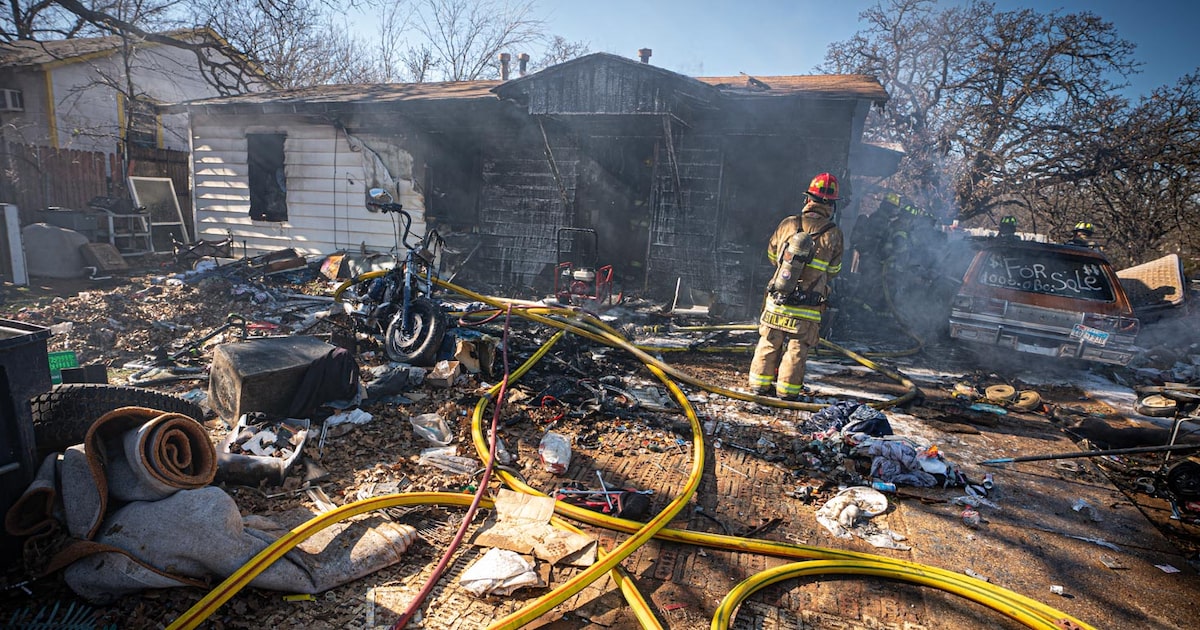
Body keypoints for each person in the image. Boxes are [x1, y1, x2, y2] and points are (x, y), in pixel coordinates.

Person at [748, 172, 844, 401]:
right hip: (807, 308)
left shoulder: (788, 224)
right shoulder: (834, 234)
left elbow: (772, 255)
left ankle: (758, 385)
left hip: (777, 299)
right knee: (797, 348)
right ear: (831, 205)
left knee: (769, 342)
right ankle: (786, 392)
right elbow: (834, 270)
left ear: (808, 199)